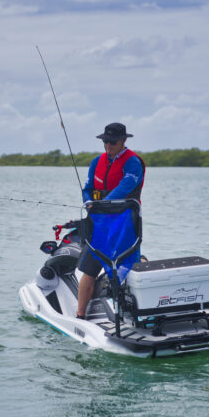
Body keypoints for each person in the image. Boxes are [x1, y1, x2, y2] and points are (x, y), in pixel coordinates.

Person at [76, 122, 145, 320]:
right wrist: (88, 202)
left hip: (125, 225)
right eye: (105, 141)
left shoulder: (133, 163)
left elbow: (125, 187)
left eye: (113, 142)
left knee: (128, 264)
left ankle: (134, 312)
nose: (108, 146)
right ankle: (80, 316)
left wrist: (102, 204)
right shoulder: (96, 162)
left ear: (123, 141)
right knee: (89, 268)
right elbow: (88, 188)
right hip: (99, 226)